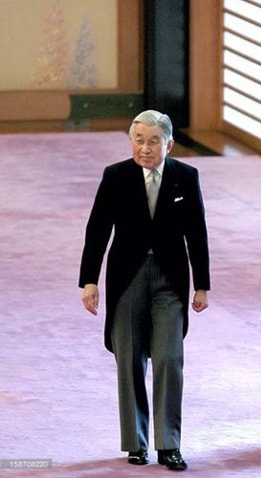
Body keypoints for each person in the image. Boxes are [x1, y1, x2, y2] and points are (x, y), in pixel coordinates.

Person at [79, 110, 210, 471]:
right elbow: (98, 230)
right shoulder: (116, 176)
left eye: (153, 141)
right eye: (139, 140)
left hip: (169, 279)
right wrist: (89, 280)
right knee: (130, 358)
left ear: (168, 144)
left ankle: (169, 444)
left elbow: (197, 232)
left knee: (169, 357)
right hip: (127, 277)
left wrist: (202, 285)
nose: (145, 148)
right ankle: (136, 443)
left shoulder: (186, 176)